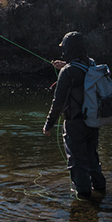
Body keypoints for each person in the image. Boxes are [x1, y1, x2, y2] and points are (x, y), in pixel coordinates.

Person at [43, 31, 106, 199]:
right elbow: (81, 71)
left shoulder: (68, 72)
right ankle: (100, 189)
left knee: (77, 162)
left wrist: (49, 124)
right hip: (93, 121)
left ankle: (84, 199)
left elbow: (58, 103)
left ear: (69, 48)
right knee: (92, 157)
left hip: (75, 124)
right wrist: (64, 65)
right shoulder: (92, 64)